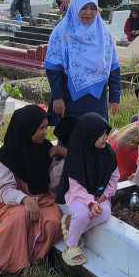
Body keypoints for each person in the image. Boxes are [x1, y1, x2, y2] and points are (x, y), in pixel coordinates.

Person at [0, 106, 65, 273]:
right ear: (27, 128)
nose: (44, 132)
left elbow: (50, 182)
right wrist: (26, 200)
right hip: (13, 204)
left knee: (53, 222)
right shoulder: (7, 155)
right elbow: (5, 191)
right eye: (40, 128)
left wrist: (63, 155)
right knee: (21, 216)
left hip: (43, 200)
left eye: (46, 127)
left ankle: (32, 258)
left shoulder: (45, 147)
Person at [44, 0, 121, 126]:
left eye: (93, 8)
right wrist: (58, 97)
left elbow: (113, 66)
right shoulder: (61, 32)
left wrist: (115, 97)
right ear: (76, 7)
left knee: (95, 138)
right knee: (70, 141)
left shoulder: (104, 33)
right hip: (71, 100)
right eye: (84, 8)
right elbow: (53, 69)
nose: (88, 13)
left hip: (97, 100)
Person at [56, 113, 119, 267]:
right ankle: (71, 245)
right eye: (101, 134)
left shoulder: (107, 153)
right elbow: (76, 188)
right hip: (78, 196)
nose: (105, 137)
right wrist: (90, 203)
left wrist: (105, 194)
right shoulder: (77, 155)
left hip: (99, 195)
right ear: (89, 135)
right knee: (83, 213)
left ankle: (72, 225)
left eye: (106, 133)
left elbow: (114, 176)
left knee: (104, 212)